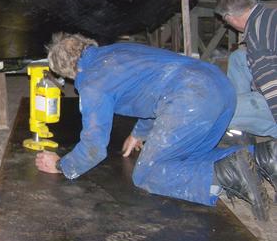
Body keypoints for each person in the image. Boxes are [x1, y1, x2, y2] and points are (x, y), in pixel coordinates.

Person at [35, 32, 270, 220]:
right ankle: (264, 158)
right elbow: (152, 87)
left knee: (149, 173)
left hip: (190, 97)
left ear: (70, 71)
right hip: (220, 87)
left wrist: (62, 166)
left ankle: (227, 173)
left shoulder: (92, 82)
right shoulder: (117, 51)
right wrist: (139, 133)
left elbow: (94, 147)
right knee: (189, 155)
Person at [214, 0, 276, 199]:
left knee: (221, 110)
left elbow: (271, 85)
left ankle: (241, 120)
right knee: (239, 58)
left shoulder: (259, 39)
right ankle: (242, 132)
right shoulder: (268, 15)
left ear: (230, 17)